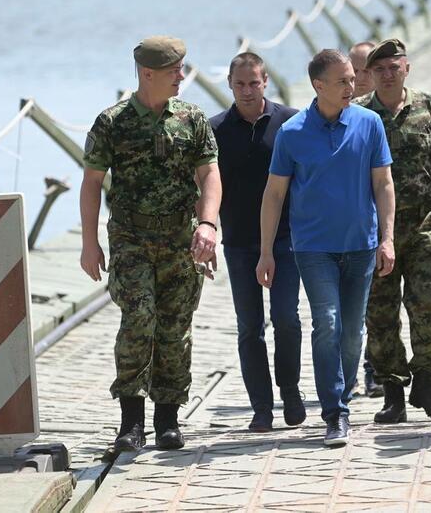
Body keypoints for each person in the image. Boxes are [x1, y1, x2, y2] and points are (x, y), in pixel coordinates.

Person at [80, 36, 221, 452]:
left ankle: (167, 420)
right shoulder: (113, 122)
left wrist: (208, 224)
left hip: (181, 238)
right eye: (175, 70)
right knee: (139, 318)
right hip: (130, 237)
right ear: (148, 74)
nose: (182, 76)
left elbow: (210, 175)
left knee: (175, 327)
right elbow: (91, 185)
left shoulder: (192, 119)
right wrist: (90, 243)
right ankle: (130, 421)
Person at [257, 49, 396, 447]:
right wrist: (267, 251)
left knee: (353, 333)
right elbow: (274, 194)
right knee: (328, 323)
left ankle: (342, 395)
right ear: (318, 86)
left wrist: (387, 238)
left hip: (361, 246)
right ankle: (335, 412)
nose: (352, 86)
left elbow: (384, 185)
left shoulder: (370, 124)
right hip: (313, 248)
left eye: (353, 78)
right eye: (342, 81)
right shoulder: (293, 132)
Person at [355, 39, 431, 424]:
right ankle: (393, 392)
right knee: (380, 313)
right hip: (373, 229)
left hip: (422, 224)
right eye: (379, 69)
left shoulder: (427, 106)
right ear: (369, 74)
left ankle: (426, 381)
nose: (387, 74)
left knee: (429, 302)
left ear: (406, 68)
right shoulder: (359, 115)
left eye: (394, 67)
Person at [209, 52, 305, 433]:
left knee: (287, 319)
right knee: (249, 325)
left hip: (286, 239)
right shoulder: (216, 130)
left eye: (254, 83)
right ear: (230, 86)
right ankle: (261, 406)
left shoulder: (291, 122)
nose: (247, 91)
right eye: (239, 84)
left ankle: (291, 391)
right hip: (238, 242)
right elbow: (205, 186)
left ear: (266, 82)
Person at [348, 39, 384, 399]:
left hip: (393, 220)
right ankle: (357, 370)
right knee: (357, 304)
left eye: (365, 70)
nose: (359, 78)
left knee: (382, 302)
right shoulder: (342, 113)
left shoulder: (383, 113)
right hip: (354, 223)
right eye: (353, 70)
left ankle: (380, 369)